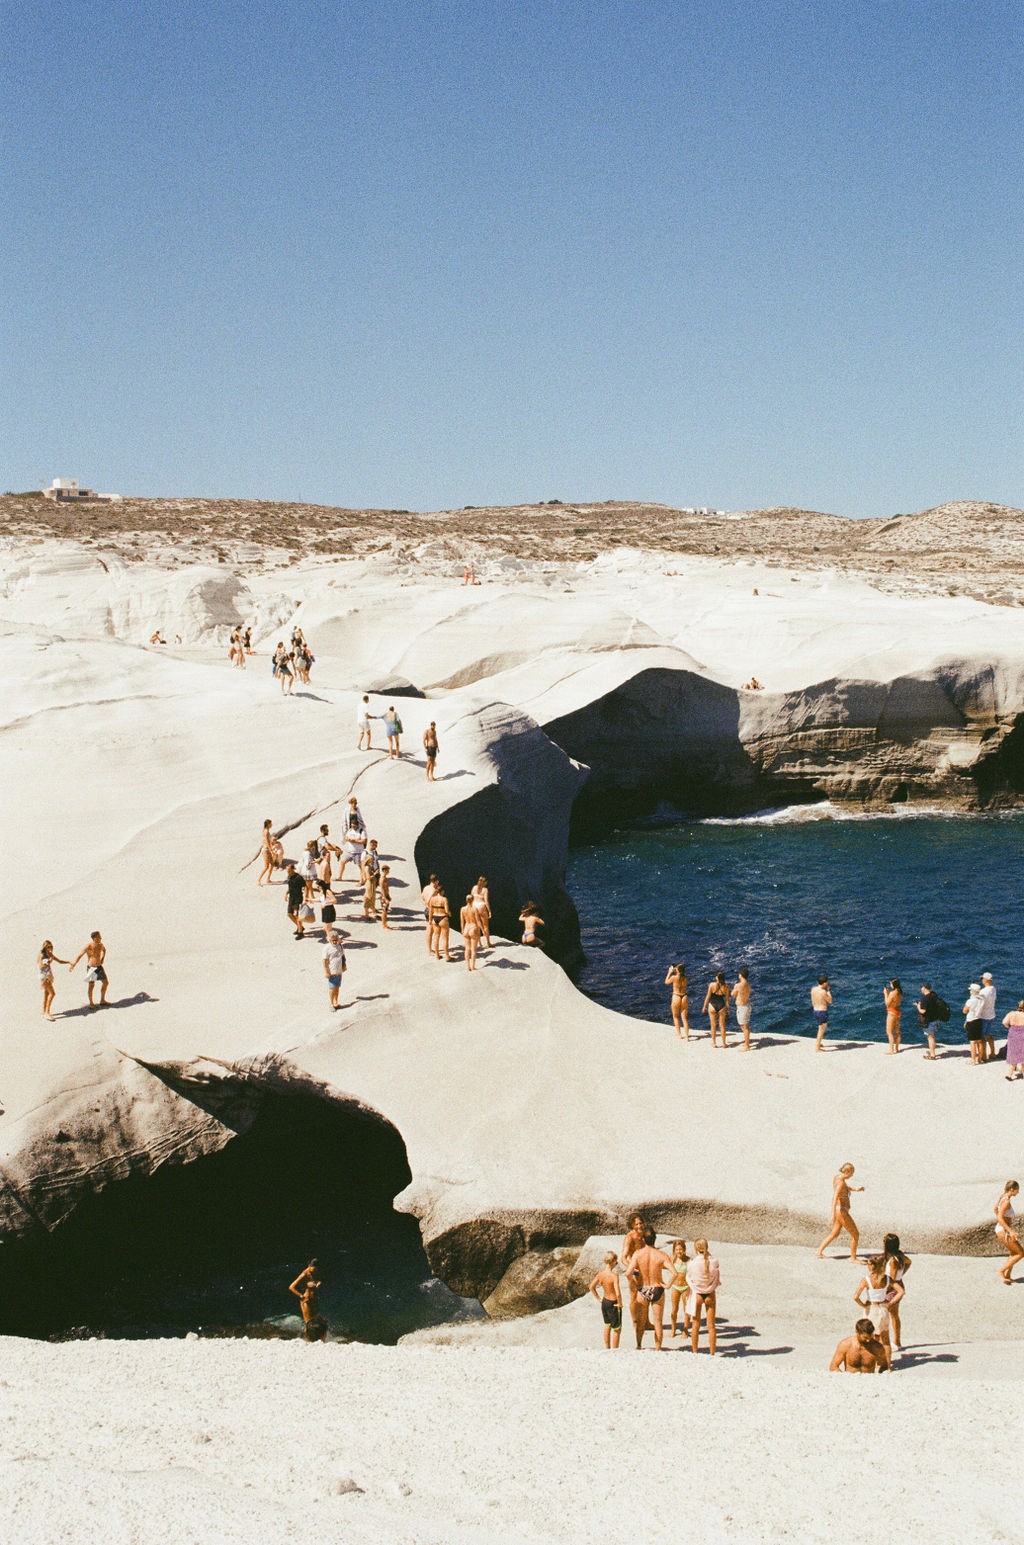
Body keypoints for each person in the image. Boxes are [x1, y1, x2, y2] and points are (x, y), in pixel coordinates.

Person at [854, 1255, 902, 1369]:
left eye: (869, 1264)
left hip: (871, 1309)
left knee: (871, 1338)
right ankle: (887, 1364)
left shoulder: (867, 1280)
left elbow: (855, 1296)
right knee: (885, 1339)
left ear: (873, 1266)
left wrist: (863, 1305)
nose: (868, 1266)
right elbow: (901, 1291)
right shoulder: (886, 1279)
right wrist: (890, 1303)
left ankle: (874, 1363)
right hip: (882, 1308)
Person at [628, 1233, 674, 1350]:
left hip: (644, 1288)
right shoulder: (661, 1255)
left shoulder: (638, 1254)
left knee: (641, 1320)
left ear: (643, 1239)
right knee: (658, 1321)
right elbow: (675, 1273)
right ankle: (658, 1347)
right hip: (657, 1288)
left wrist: (635, 1281)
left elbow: (628, 1272)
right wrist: (668, 1285)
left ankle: (638, 1345)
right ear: (655, 1238)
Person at [817, 1163, 863, 1260]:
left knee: (834, 1233)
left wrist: (856, 1189)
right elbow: (835, 1197)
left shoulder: (837, 1178)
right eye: (851, 1173)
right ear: (847, 1171)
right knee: (855, 1234)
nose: (852, 1175)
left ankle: (819, 1251)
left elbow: (845, 1188)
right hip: (842, 1211)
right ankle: (853, 1258)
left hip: (839, 1211)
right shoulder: (841, 1182)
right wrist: (833, 1215)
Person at [686, 1239, 721, 1355]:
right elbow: (717, 1279)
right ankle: (712, 1352)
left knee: (695, 1325)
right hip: (710, 1292)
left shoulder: (693, 1263)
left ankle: (695, 1351)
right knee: (711, 1326)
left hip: (697, 1293)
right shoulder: (713, 1262)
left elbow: (689, 1278)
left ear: (696, 1249)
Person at [882, 1233, 911, 1353]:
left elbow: (892, 1279)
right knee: (894, 1315)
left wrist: (884, 1289)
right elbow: (909, 1262)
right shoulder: (899, 1255)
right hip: (898, 1284)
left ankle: (890, 1342)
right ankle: (897, 1341)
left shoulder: (893, 1260)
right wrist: (902, 1274)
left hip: (892, 1288)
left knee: (886, 1315)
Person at [589, 1251, 622, 1349]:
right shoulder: (614, 1276)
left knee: (607, 1325)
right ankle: (615, 1350)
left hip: (605, 1302)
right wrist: (620, 1303)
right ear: (613, 1262)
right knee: (617, 1328)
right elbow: (618, 1293)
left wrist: (599, 1298)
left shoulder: (600, 1274)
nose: (616, 1264)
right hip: (613, 1302)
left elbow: (591, 1287)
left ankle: (607, 1348)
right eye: (616, 1262)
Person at [289, 1260, 327, 1342]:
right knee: (308, 1322)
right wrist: (301, 1295)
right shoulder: (304, 1274)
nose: (314, 1271)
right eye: (312, 1270)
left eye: (315, 1270)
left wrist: (319, 1282)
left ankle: (318, 1338)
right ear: (309, 1266)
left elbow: (321, 1279)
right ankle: (307, 1340)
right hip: (306, 1301)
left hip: (314, 1300)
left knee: (317, 1320)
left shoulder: (316, 1272)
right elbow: (291, 1287)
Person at [69, 931, 109, 1008]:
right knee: (91, 985)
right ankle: (91, 1003)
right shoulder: (89, 946)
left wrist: (102, 958)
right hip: (91, 967)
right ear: (94, 938)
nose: (101, 938)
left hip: (99, 967)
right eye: (99, 936)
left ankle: (102, 1000)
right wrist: (74, 964)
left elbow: (104, 950)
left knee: (106, 982)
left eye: (100, 936)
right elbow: (80, 955)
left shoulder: (101, 945)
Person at [994, 1181, 1023, 1284]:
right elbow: (1000, 1217)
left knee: (1014, 1252)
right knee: (1021, 1253)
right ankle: (1001, 1271)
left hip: (1001, 1229)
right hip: (1003, 1230)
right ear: (1012, 1189)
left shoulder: (1002, 1197)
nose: (1018, 1192)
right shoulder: (1006, 1201)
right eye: (1017, 1190)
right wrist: (1009, 1231)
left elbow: (995, 1209)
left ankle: (1008, 1275)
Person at [620, 1215, 648, 1322]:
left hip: (645, 1269)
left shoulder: (645, 1235)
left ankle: (646, 1322)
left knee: (646, 1295)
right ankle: (635, 1322)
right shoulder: (630, 1237)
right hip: (635, 1271)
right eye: (636, 1224)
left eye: (640, 1223)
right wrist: (631, 1268)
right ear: (632, 1225)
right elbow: (623, 1257)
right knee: (634, 1296)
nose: (639, 1225)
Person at [38, 940, 70, 1020]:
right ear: (44, 947)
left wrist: (69, 962)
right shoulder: (42, 955)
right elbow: (41, 967)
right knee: (52, 993)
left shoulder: (50, 954)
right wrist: (49, 961)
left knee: (46, 993)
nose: (50, 948)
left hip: (48, 975)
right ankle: (47, 1013)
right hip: (44, 976)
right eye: (48, 947)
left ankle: (43, 1010)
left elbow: (59, 961)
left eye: (51, 946)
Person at [917, 981, 947, 1061]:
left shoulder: (925, 998)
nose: (921, 988)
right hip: (936, 1019)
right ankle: (932, 1052)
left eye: (922, 987)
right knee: (932, 1036)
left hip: (929, 1021)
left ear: (924, 988)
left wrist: (918, 1006)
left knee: (930, 1037)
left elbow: (922, 1011)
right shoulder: (934, 995)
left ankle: (932, 1055)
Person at [338, 812, 368, 884]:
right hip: (350, 851)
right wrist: (347, 839)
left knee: (360, 866)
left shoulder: (361, 831)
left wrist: (354, 841)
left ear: (357, 825)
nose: (353, 827)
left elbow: (364, 841)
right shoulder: (350, 830)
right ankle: (340, 876)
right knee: (342, 861)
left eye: (354, 826)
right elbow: (345, 837)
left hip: (358, 852)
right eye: (352, 825)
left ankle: (362, 880)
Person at [668, 1240, 690, 1337]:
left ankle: (685, 1330)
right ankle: (673, 1329)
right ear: (674, 1250)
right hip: (675, 1287)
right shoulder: (672, 1259)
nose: (679, 1251)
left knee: (686, 1309)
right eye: (677, 1249)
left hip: (686, 1287)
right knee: (674, 1309)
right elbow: (661, 1264)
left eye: (680, 1249)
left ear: (684, 1249)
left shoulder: (689, 1260)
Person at [702, 971, 730, 1047]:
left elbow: (708, 997)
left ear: (717, 978)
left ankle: (714, 1043)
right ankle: (724, 1043)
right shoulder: (726, 987)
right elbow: (727, 1000)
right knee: (722, 1025)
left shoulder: (711, 985)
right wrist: (728, 1009)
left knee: (713, 1025)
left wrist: (704, 1006)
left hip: (712, 1005)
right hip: (721, 1005)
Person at [322, 928, 347, 1010]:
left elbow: (343, 956)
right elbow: (324, 961)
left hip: (339, 971)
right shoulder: (327, 948)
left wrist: (344, 965)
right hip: (332, 971)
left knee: (337, 987)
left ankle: (336, 1002)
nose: (335, 942)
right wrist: (326, 972)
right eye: (333, 940)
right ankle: (331, 1004)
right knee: (332, 988)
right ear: (329, 940)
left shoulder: (340, 946)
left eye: (336, 940)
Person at [664, 963, 690, 1041]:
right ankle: (687, 1036)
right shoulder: (686, 978)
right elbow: (681, 971)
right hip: (684, 996)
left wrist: (670, 972)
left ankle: (679, 1034)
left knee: (675, 1017)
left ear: (677, 970)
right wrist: (677, 969)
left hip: (676, 996)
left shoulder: (674, 977)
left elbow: (666, 982)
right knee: (684, 1018)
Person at [963, 982, 986, 1065]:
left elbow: (964, 1011)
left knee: (972, 1042)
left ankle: (973, 1060)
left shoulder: (970, 1001)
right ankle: (980, 1059)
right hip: (979, 1021)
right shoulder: (982, 999)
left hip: (971, 1021)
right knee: (979, 1041)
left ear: (973, 991)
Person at [428, 885, 452, 961]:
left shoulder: (432, 899)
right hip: (442, 918)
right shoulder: (444, 899)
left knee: (436, 936)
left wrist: (429, 920)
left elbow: (431, 910)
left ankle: (437, 955)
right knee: (445, 938)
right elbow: (446, 910)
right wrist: (450, 914)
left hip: (434, 918)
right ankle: (447, 956)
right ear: (442, 891)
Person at [1002, 1000, 1024, 1081]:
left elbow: (1004, 1022)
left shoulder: (1011, 1014)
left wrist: (1010, 1027)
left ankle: (1009, 1074)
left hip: (1013, 1035)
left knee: (1013, 1053)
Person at [978, 972, 997, 1063]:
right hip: (991, 1014)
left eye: (982, 978)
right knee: (988, 1034)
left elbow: (980, 1005)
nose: (981, 980)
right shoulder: (993, 989)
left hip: (984, 1015)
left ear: (986, 980)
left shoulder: (983, 992)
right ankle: (993, 1053)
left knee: (982, 1037)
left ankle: (984, 1056)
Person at [284, 862, 306, 938]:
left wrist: (306, 897)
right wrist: (286, 893)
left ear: (293, 869)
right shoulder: (289, 877)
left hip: (298, 898)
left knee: (297, 915)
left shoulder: (299, 877)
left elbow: (305, 887)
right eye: (287, 871)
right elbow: (290, 886)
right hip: (291, 897)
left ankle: (300, 932)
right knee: (289, 914)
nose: (288, 872)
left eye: (289, 871)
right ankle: (300, 927)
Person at [732, 967, 752, 1050]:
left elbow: (733, 994)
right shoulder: (748, 984)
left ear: (741, 975)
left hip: (742, 1007)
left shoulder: (738, 985)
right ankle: (746, 1042)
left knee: (744, 1026)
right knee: (745, 1025)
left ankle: (747, 1045)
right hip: (747, 1005)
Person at [459, 895, 481, 971]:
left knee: (467, 949)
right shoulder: (474, 909)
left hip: (466, 928)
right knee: (473, 949)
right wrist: (480, 930)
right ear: (473, 900)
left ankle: (468, 966)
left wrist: (462, 930)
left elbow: (462, 921)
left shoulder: (462, 909)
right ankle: (473, 966)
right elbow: (478, 921)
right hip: (473, 927)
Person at [811, 975, 832, 1051]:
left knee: (822, 1027)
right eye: (826, 983)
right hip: (822, 1012)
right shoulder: (823, 992)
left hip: (815, 1011)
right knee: (821, 1029)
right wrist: (828, 991)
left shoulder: (813, 989)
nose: (827, 984)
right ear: (824, 983)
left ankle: (818, 1043)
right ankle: (817, 1047)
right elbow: (830, 1000)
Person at [360, 841, 381, 920]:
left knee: (372, 896)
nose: (372, 861)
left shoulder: (374, 853)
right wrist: (374, 874)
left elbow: (377, 862)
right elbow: (368, 877)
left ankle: (373, 911)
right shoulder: (367, 867)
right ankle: (366, 914)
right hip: (370, 882)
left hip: (372, 881)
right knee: (368, 897)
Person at [258, 819, 280, 886]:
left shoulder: (266, 831)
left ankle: (268, 879)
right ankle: (259, 880)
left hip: (267, 849)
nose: (272, 825)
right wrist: (271, 850)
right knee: (266, 866)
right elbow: (267, 842)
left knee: (272, 865)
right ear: (268, 824)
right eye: (271, 823)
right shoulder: (266, 832)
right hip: (266, 850)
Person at [470, 877, 492, 948]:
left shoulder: (474, 887)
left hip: (474, 905)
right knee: (485, 925)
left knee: (476, 925)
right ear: (484, 882)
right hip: (481, 906)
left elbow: (471, 897)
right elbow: (486, 901)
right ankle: (488, 942)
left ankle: (479, 942)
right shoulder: (485, 890)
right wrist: (489, 911)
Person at [883, 978, 903, 1055]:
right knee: (897, 1031)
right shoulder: (900, 992)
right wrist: (888, 994)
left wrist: (885, 994)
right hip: (898, 1011)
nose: (890, 985)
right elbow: (894, 1001)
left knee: (889, 1032)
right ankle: (897, 1048)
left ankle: (891, 1050)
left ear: (894, 984)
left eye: (891, 983)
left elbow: (887, 1004)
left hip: (891, 1012)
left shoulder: (892, 993)